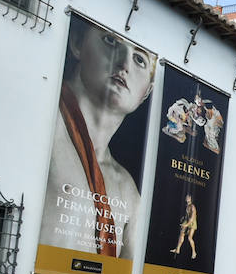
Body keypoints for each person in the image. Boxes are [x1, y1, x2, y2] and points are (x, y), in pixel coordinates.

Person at [39, 16, 157, 258]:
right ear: (77, 43)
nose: (124, 64)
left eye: (139, 59)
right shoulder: (41, 127)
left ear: (147, 91)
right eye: (110, 41)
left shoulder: (127, 188)